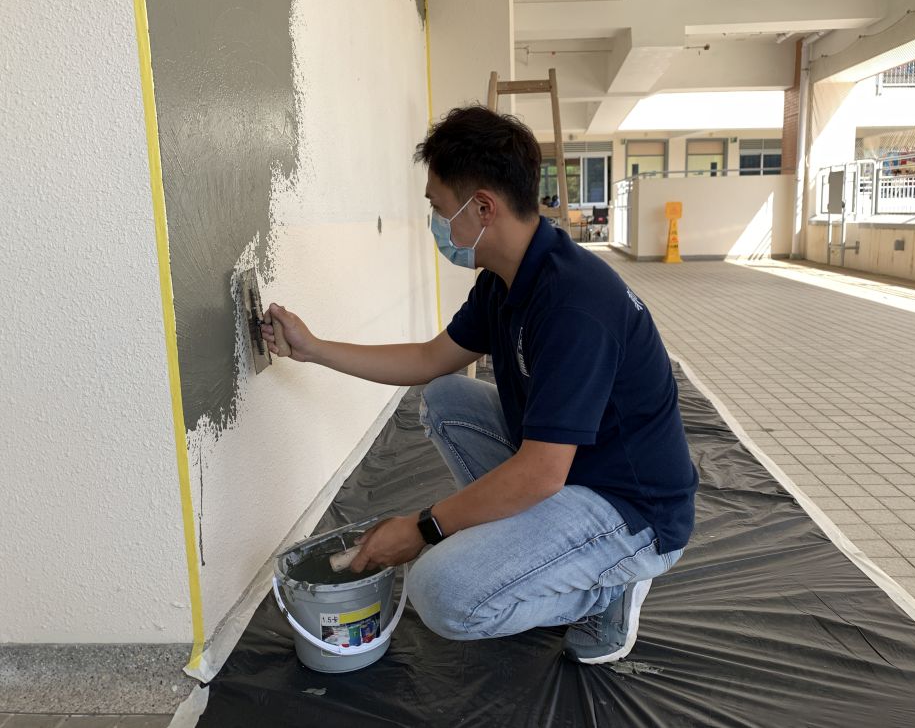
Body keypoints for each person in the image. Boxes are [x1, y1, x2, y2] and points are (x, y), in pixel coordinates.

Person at [262, 106, 698, 664]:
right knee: (447, 399)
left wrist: (425, 529)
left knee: (440, 594)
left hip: (632, 509)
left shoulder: (573, 305)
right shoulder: (506, 278)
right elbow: (429, 358)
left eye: (438, 208)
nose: (436, 223)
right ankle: (534, 551)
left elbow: (541, 472)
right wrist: (314, 348)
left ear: (483, 208)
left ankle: (605, 591)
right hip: (574, 470)